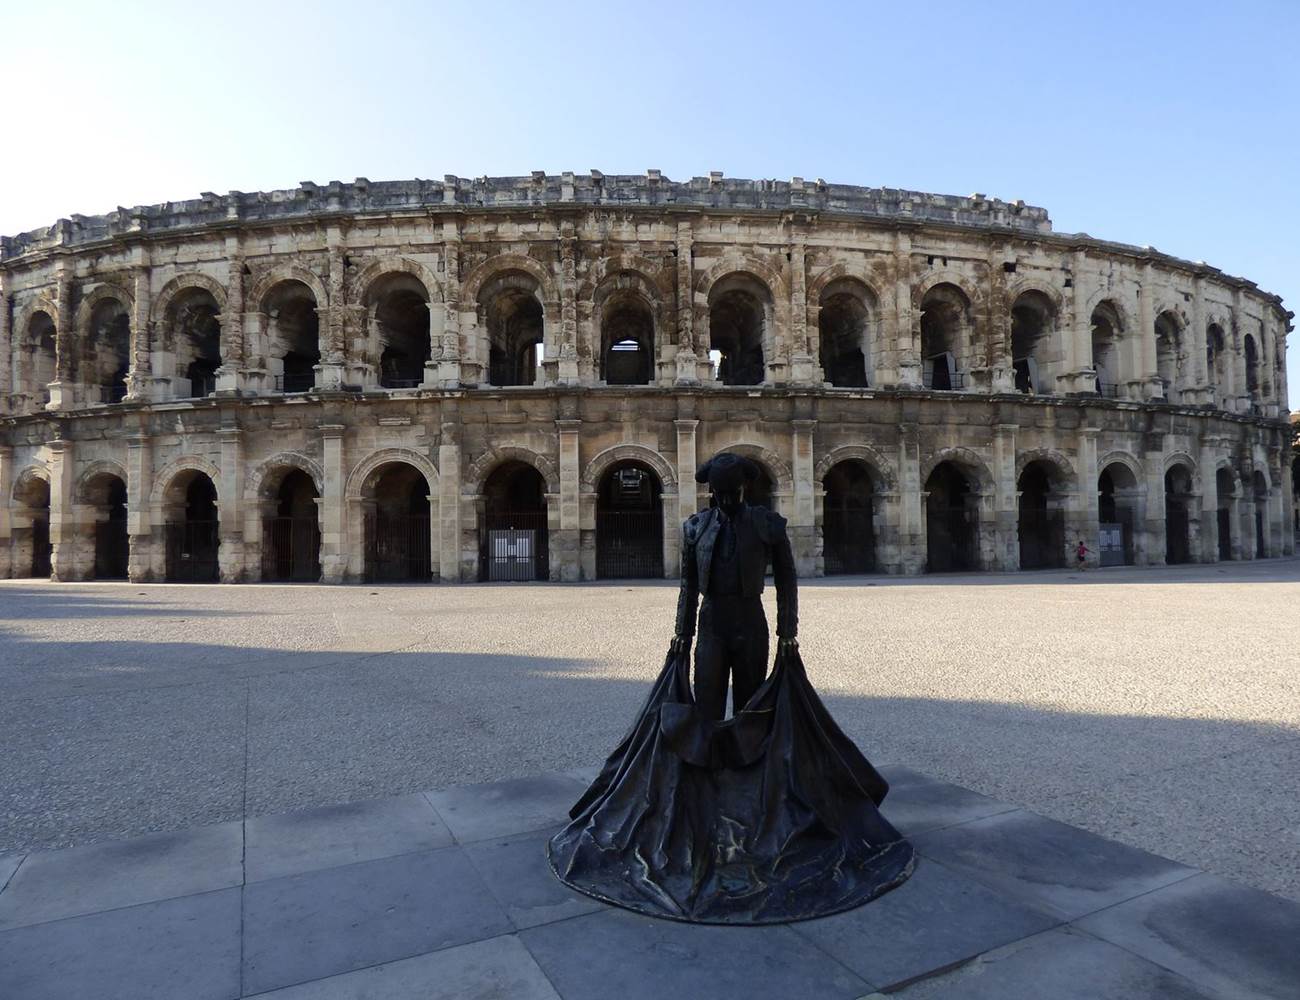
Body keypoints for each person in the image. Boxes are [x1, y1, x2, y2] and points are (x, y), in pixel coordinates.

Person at [671, 453, 797, 720]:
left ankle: (746, 748)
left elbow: (786, 579)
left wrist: (787, 631)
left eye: (733, 493)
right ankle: (711, 747)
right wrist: (683, 630)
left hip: (749, 618)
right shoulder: (696, 527)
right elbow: (688, 583)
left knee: (750, 707)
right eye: (720, 494)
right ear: (712, 492)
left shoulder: (767, 523)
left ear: (744, 488)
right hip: (711, 621)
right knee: (707, 702)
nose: (727, 500)